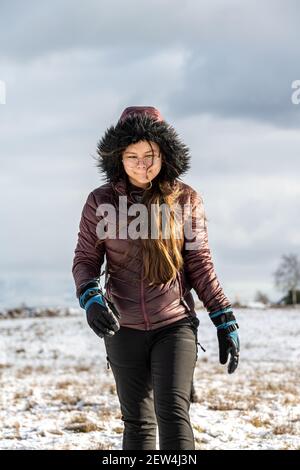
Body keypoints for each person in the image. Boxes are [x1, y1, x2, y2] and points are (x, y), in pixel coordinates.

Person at [72, 106, 240, 450]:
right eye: (132, 156)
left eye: (150, 155)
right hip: (123, 328)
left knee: (173, 414)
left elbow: (200, 265)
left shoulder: (186, 200)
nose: (142, 164)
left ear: (164, 154)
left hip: (174, 325)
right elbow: (86, 260)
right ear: (119, 157)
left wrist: (224, 319)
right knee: (137, 423)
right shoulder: (100, 202)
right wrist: (90, 299)